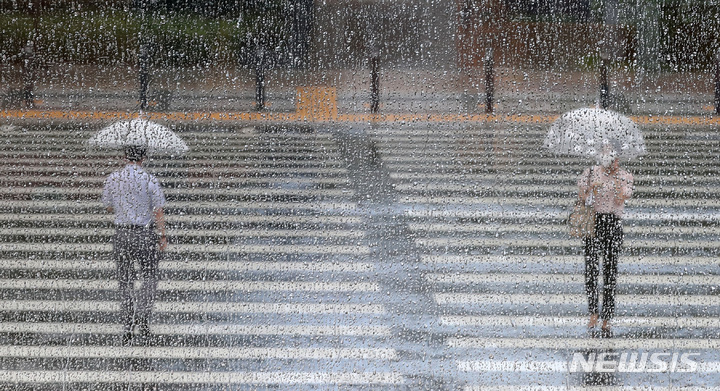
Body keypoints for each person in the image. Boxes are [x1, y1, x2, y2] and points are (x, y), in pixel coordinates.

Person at [102, 145, 167, 346]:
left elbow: (108, 205)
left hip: (122, 234)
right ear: (144, 157)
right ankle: (143, 316)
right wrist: (162, 235)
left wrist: (124, 207)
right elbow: (158, 211)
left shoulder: (113, 179)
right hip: (144, 233)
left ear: (124, 156)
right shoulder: (149, 179)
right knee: (150, 276)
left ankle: (128, 321)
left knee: (125, 279)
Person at [577, 146, 633, 337]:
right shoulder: (591, 172)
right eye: (608, 157)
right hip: (593, 222)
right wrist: (592, 188)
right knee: (591, 269)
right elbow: (582, 198)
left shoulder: (625, 176)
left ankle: (607, 316)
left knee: (610, 271)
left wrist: (616, 181)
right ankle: (593, 312)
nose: (612, 161)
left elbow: (621, 199)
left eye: (615, 157)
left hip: (613, 223)